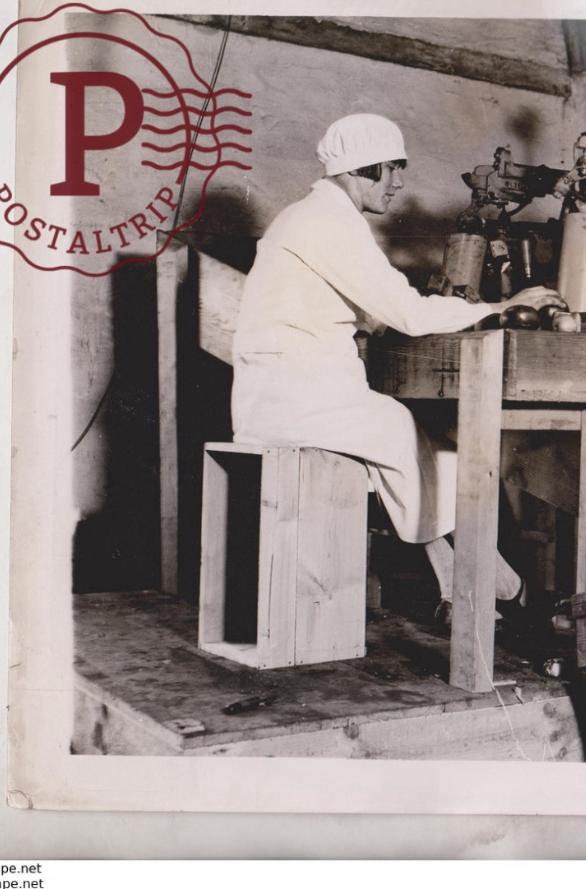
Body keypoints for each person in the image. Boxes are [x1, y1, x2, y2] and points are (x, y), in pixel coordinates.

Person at [231, 113, 565, 615]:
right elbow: (407, 313)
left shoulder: (315, 217)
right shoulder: (328, 222)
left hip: (290, 388)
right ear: (360, 170)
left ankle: (471, 584)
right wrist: (498, 308)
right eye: (392, 169)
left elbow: (362, 307)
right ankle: (498, 586)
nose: (400, 182)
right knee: (409, 435)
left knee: (423, 446)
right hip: (289, 397)